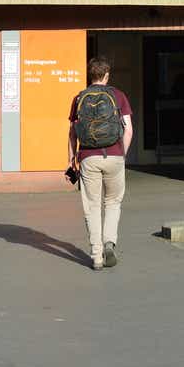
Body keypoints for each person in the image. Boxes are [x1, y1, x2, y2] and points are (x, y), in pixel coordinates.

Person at [67, 57, 132, 272]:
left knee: (92, 206)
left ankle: (96, 256)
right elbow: (128, 129)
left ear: (90, 75)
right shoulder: (118, 95)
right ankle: (109, 243)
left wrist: (72, 158)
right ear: (106, 75)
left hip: (88, 157)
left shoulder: (79, 98)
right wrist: (122, 154)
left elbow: (72, 132)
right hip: (114, 156)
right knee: (113, 202)